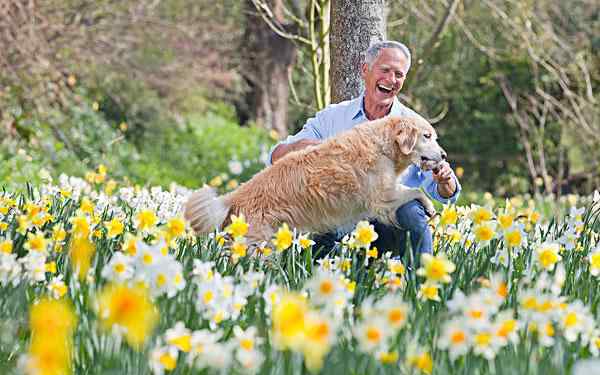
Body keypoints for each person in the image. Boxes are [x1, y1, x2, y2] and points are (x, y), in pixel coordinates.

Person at [267, 40, 461, 259]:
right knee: (317, 223)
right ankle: (312, 278)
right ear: (365, 70)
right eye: (385, 70)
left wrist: (445, 181)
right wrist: (301, 148)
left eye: (399, 74)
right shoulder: (333, 117)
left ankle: (420, 283)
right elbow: (276, 157)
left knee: (413, 213)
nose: (391, 80)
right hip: (340, 214)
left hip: (389, 217)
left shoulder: (416, 126)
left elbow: (445, 194)